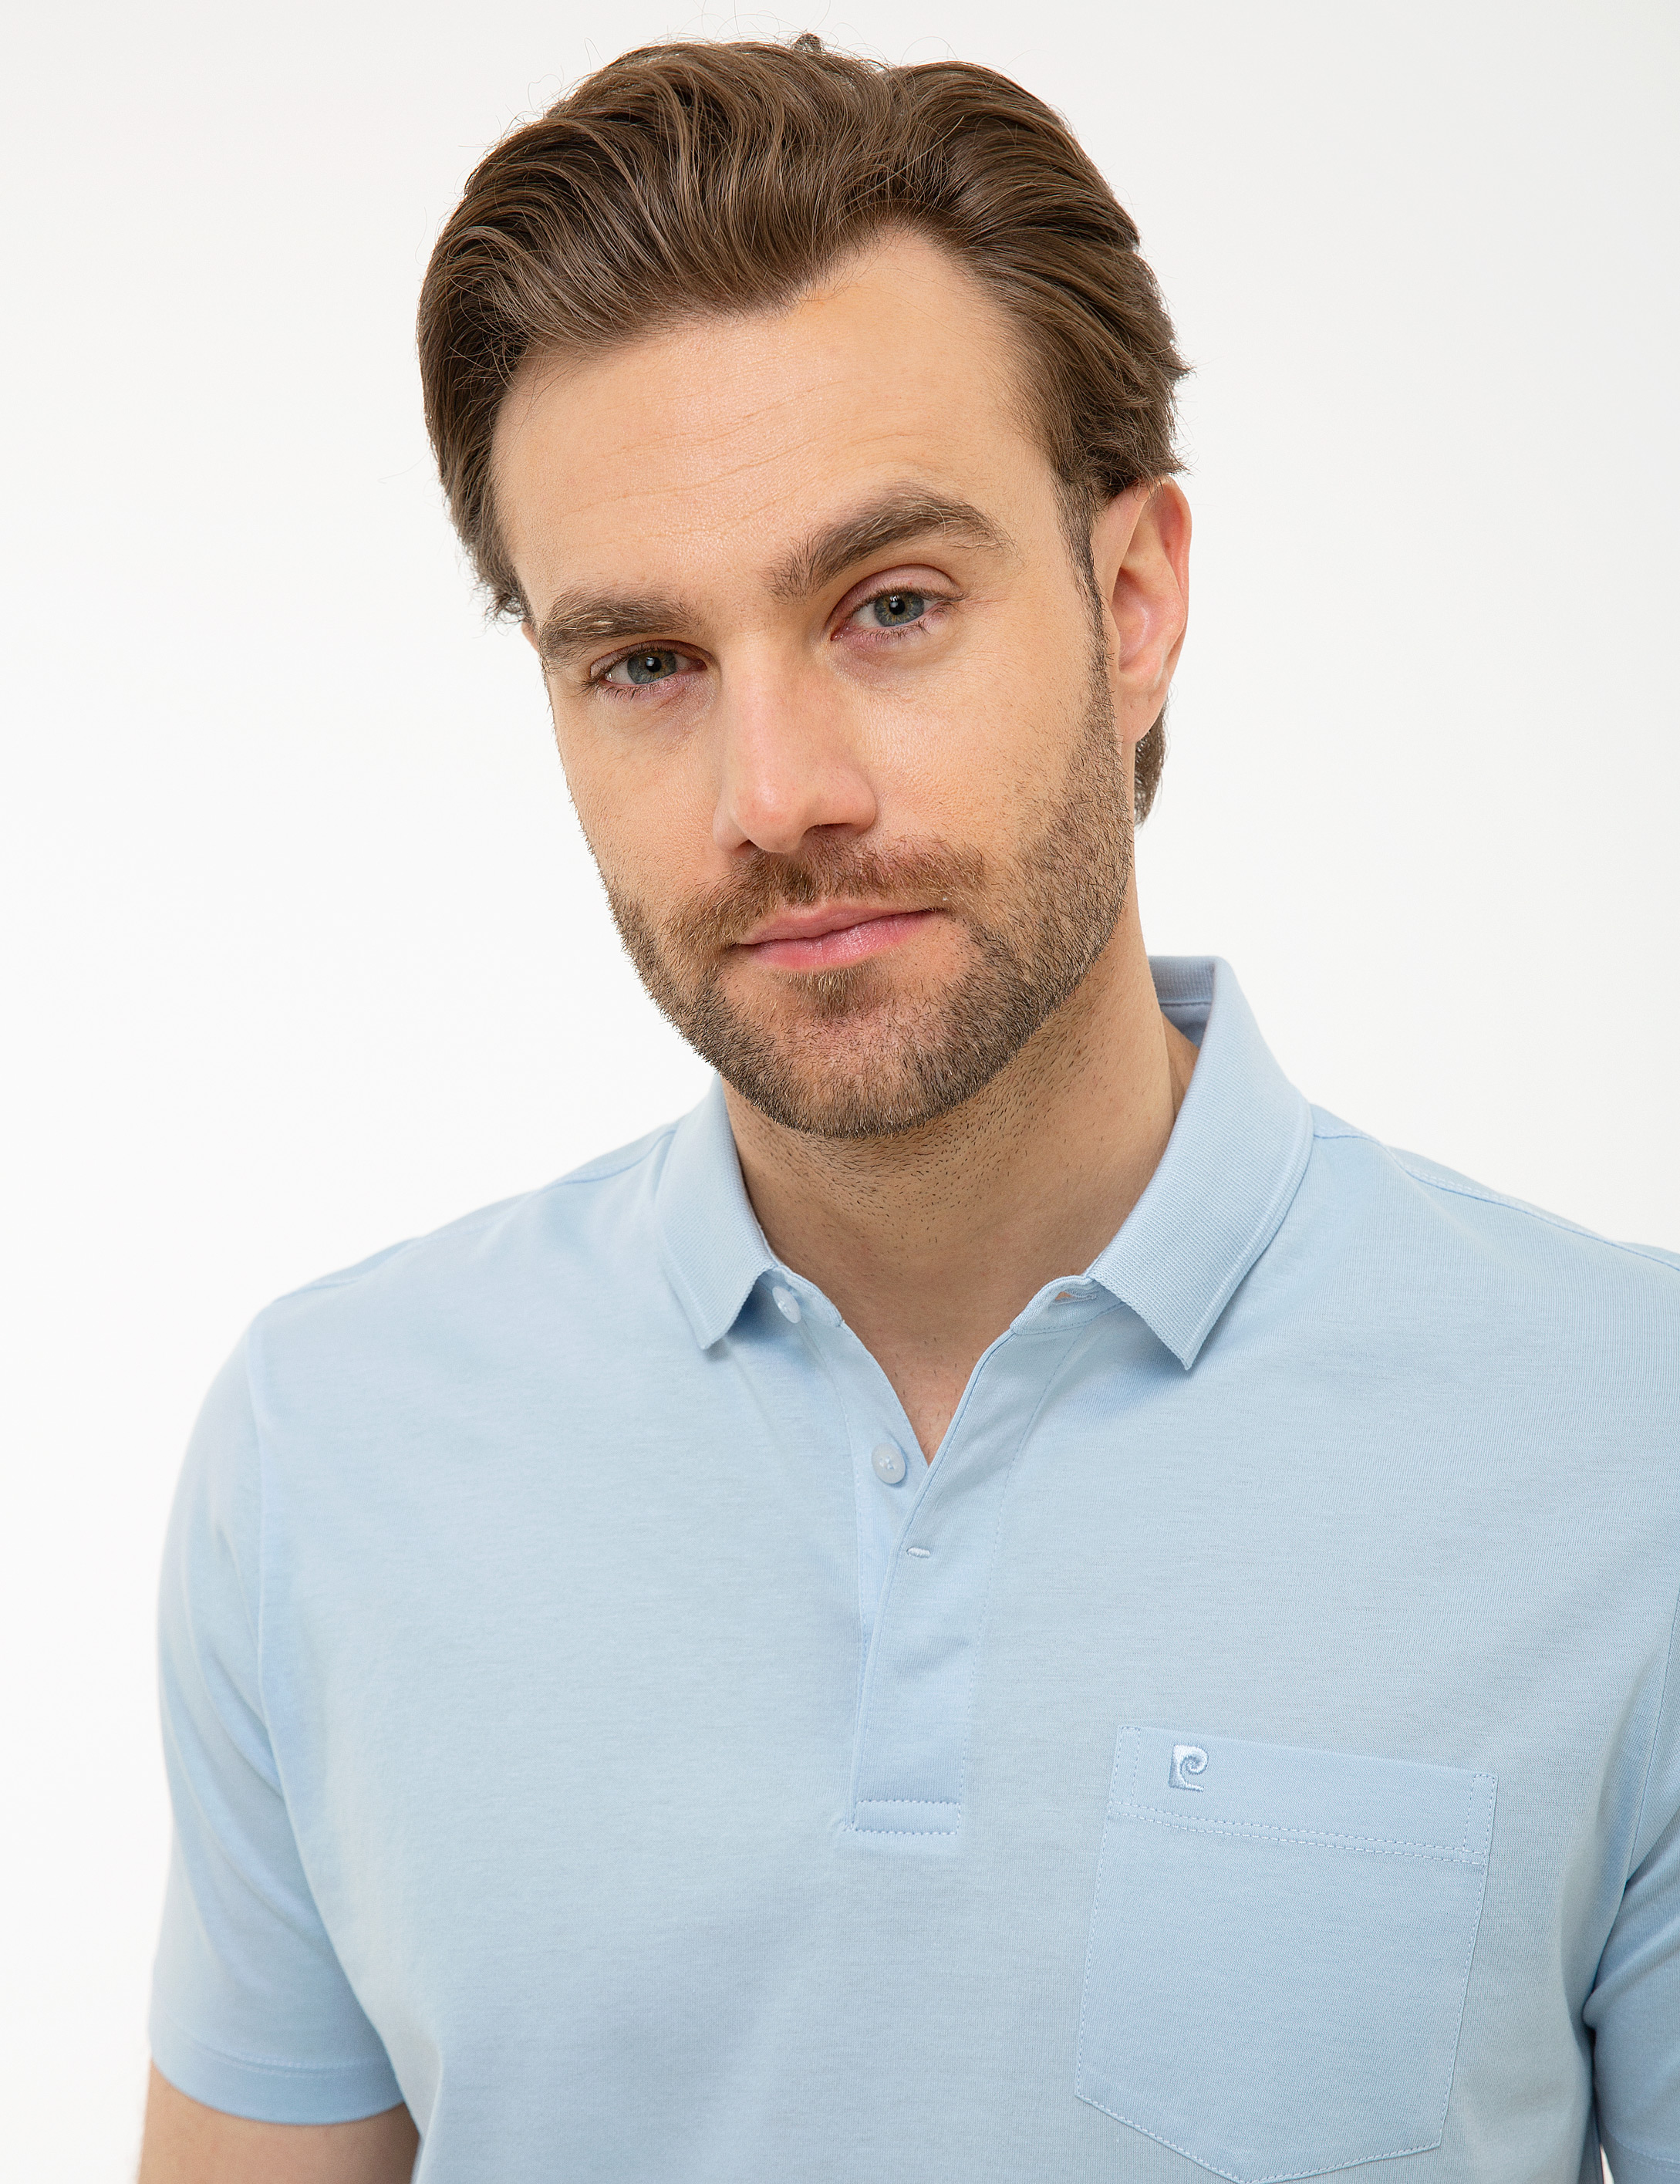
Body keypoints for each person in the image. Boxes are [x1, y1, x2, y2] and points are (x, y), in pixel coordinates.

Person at [139, 35, 1679, 2184]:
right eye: (644, 662)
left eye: (890, 607)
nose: (775, 797)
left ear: (1132, 607)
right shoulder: (330, 1450)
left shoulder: (1629, 1449)